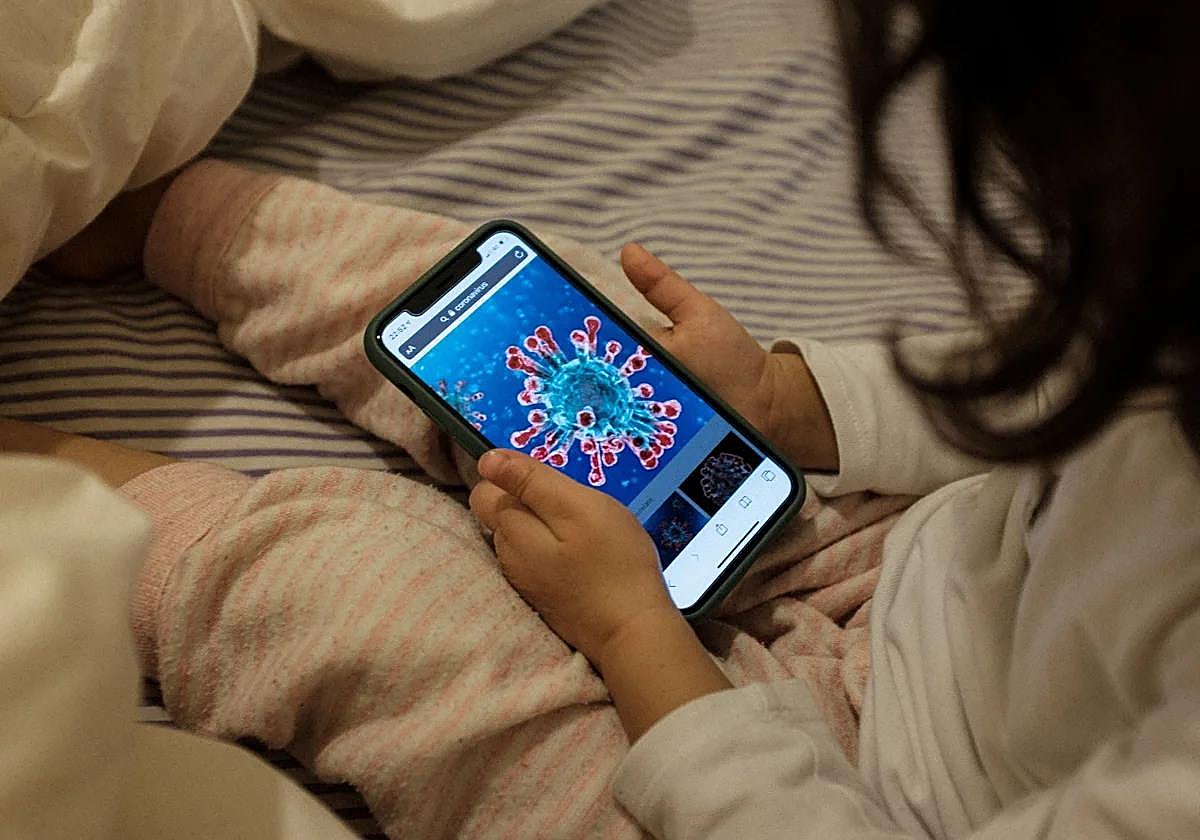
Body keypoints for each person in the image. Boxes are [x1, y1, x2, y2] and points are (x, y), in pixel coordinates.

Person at [3, 3, 1198, 840]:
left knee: (380, 607)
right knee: (554, 325)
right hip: (923, 556)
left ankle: (58, 495)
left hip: (821, 798)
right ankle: (176, 220)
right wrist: (788, 401)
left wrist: (636, 640)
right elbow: (1061, 387)